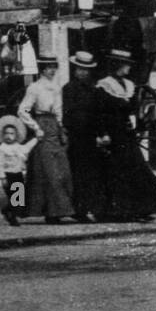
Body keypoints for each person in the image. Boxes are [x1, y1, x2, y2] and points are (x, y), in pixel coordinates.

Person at [94, 48, 156, 221]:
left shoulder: (128, 85)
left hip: (126, 132)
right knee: (117, 172)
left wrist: (141, 119)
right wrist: (102, 134)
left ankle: (141, 209)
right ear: (118, 66)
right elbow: (99, 113)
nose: (128, 68)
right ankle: (120, 211)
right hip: (112, 134)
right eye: (126, 65)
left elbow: (134, 108)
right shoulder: (104, 85)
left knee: (136, 168)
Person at [17, 55, 75, 223]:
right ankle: (50, 212)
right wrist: (36, 127)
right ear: (42, 69)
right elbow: (23, 110)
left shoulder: (56, 88)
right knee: (49, 172)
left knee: (62, 171)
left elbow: (58, 110)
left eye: (54, 67)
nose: (52, 70)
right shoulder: (34, 88)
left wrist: (61, 128)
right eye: (48, 67)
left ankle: (56, 211)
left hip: (54, 129)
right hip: (42, 125)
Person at [62, 51, 105, 223]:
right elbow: (66, 112)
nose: (82, 72)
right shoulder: (68, 89)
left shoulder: (94, 90)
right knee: (76, 174)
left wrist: (101, 133)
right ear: (75, 69)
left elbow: (97, 113)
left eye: (85, 70)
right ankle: (77, 210)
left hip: (89, 136)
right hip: (75, 136)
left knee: (89, 174)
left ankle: (88, 208)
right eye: (79, 69)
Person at [0, 121, 38, 227]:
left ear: (16, 136)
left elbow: (27, 148)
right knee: (14, 197)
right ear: (2, 135)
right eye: (6, 133)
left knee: (19, 198)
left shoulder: (19, 147)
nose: (9, 136)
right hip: (8, 175)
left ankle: (6, 210)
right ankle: (12, 217)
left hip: (18, 174)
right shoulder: (2, 149)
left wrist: (36, 139)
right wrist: (2, 177)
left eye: (12, 134)